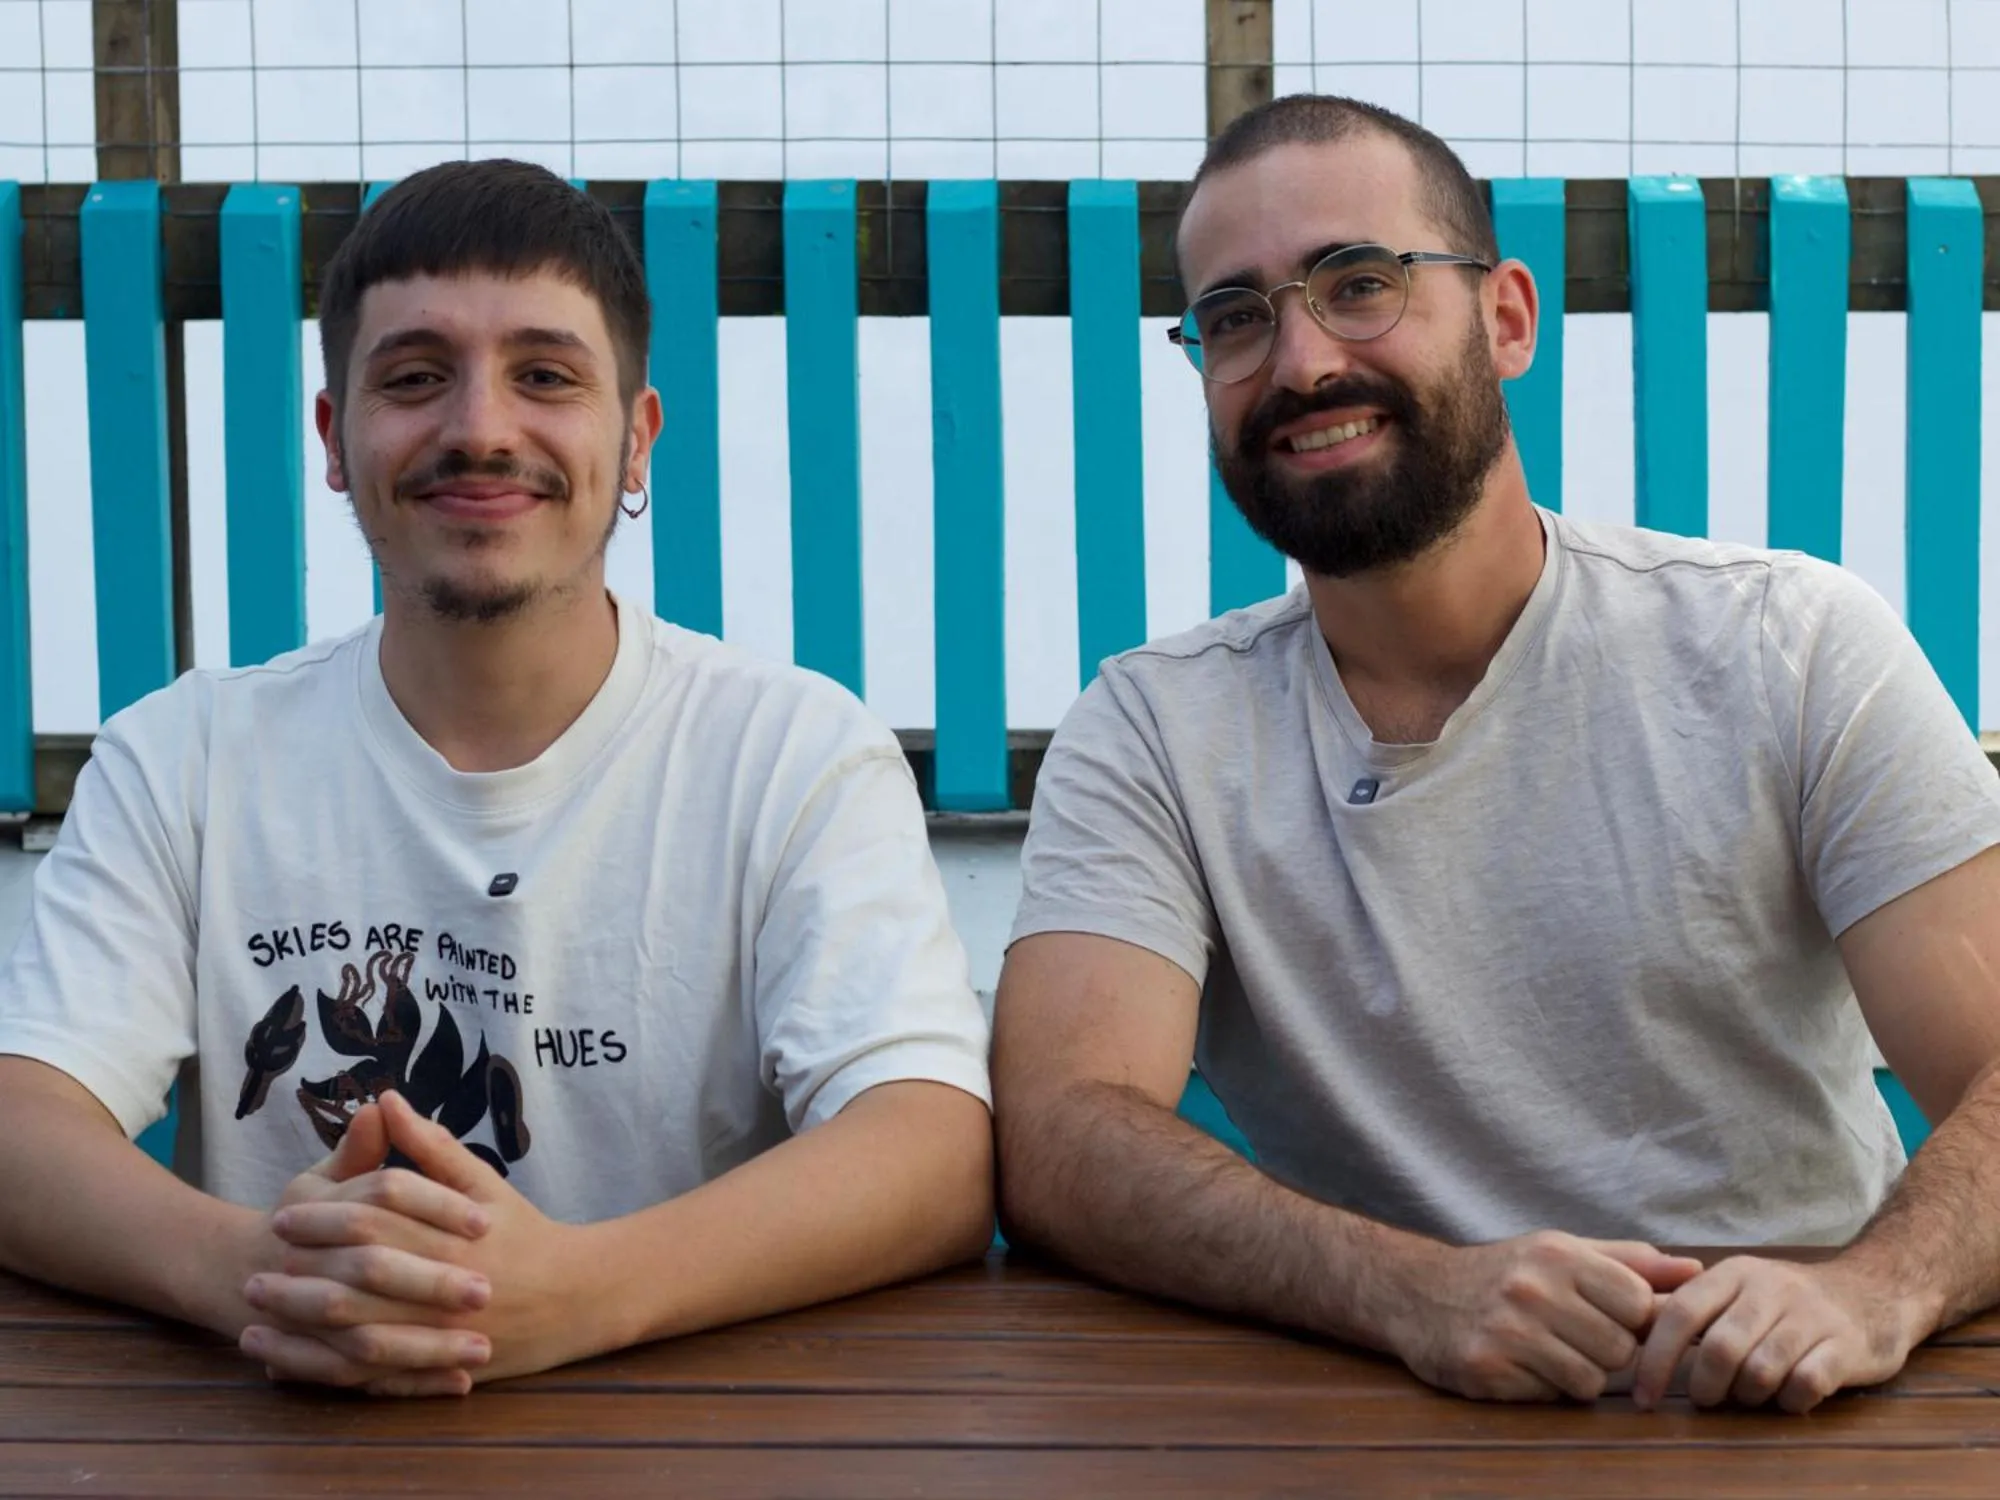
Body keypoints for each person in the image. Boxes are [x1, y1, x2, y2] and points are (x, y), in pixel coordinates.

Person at [992, 94, 2000, 1415]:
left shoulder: (1786, 645)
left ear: (1508, 318)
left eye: (1361, 285)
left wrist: (1876, 1294)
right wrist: (1406, 1290)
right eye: (1236, 318)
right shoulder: (1156, 729)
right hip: (1377, 1417)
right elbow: (1062, 1137)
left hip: (1799, 1409)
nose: (1299, 365)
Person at [0, 160, 994, 1396]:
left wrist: (572, 1294)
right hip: (293, 1443)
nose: (478, 428)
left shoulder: (788, 749)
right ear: (333, 437)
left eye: (546, 376)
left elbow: (934, 1150)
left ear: (635, 436)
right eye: (414, 378)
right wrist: (266, 1274)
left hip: (693, 1446)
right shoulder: (183, 755)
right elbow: (24, 1121)